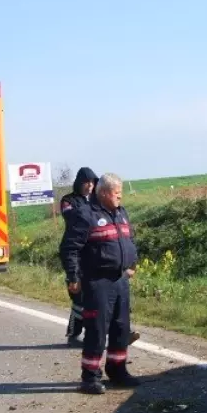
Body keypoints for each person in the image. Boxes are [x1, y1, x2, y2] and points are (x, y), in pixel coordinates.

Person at [59, 173, 142, 394]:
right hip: (97, 281)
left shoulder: (121, 213)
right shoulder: (86, 215)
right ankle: (90, 377)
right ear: (104, 193)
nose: (120, 198)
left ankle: (117, 370)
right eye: (117, 193)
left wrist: (132, 264)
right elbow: (70, 248)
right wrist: (73, 277)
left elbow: (129, 240)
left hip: (120, 280)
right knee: (97, 330)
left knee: (121, 327)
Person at [59, 167, 98, 345]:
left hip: (94, 253)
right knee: (79, 297)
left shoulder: (97, 199)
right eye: (86, 182)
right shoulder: (68, 200)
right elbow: (73, 217)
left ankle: (103, 334)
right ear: (79, 182)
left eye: (92, 182)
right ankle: (73, 334)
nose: (89, 186)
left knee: (98, 297)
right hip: (75, 252)